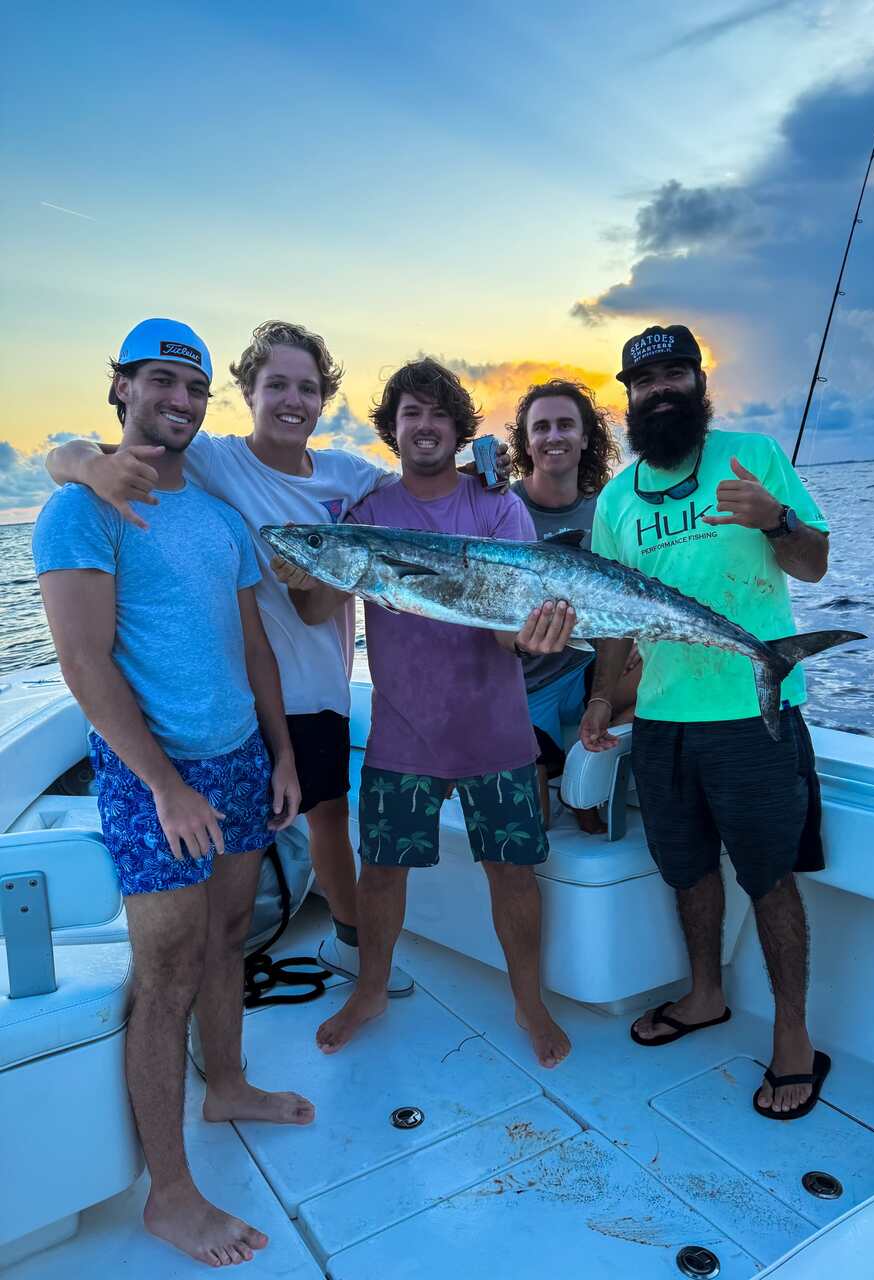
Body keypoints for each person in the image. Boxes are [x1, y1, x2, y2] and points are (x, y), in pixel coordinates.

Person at [47, 322, 509, 1002]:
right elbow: (81, 455)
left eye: (309, 388)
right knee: (233, 838)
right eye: (277, 386)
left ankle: (346, 942)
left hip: (318, 686)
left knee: (323, 815)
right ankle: (207, 974)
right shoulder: (214, 459)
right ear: (248, 392)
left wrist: (487, 470)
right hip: (237, 692)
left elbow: (421, 487)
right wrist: (88, 467)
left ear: (324, 399)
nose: (293, 400)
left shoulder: (347, 474)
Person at [33, 319, 311, 1268]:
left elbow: (256, 646)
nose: (180, 401)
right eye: (161, 381)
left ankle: (227, 1082)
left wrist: (280, 755)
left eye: (194, 386)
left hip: (239, 759)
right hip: (152, 774)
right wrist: (163, 785)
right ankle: (171, 1193)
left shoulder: (223, 520)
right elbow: (80, 664)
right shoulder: (83, 507)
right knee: (166, 975)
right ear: (121, 388)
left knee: (231, 936)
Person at [278, 358, 574, 1068]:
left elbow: (510, 627)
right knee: (380, 872)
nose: (426, 426)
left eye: (439, 413)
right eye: (411, 413)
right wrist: (305, 566)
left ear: (459, 427)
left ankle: (529, 1001)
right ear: (393, 428)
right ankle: (372, 988)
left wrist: (536, 633)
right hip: (403, 733)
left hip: (496, 730)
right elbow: (319, 605)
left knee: (511, 871)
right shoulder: (369, 514)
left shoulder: (497, 507)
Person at [580, 324, 833, 1121]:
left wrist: (775, 519)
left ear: (699, 380)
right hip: (660, 721)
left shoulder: (752, 455)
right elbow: (613, 612)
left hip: (752, 722)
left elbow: (815, 561)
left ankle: (793, 1037)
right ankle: (705, 996)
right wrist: (598, 697)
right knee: (685, 870)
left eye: (673, 374)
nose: (659, 390)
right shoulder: (618, 498)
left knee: (769, 877)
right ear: (626, 396)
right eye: (643, 380)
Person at [507, 378, 640, 833]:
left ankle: (589, 759)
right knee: (533, 828)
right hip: (520, 687)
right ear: (527, 442)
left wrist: (636, 639)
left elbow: (628, 595)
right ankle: (563, 772)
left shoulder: (606, 510)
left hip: (585, 669)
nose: (554, 436)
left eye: (566, 425)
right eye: (540, 427)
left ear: (586, 437)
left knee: (670, 669)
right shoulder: (501, 508)